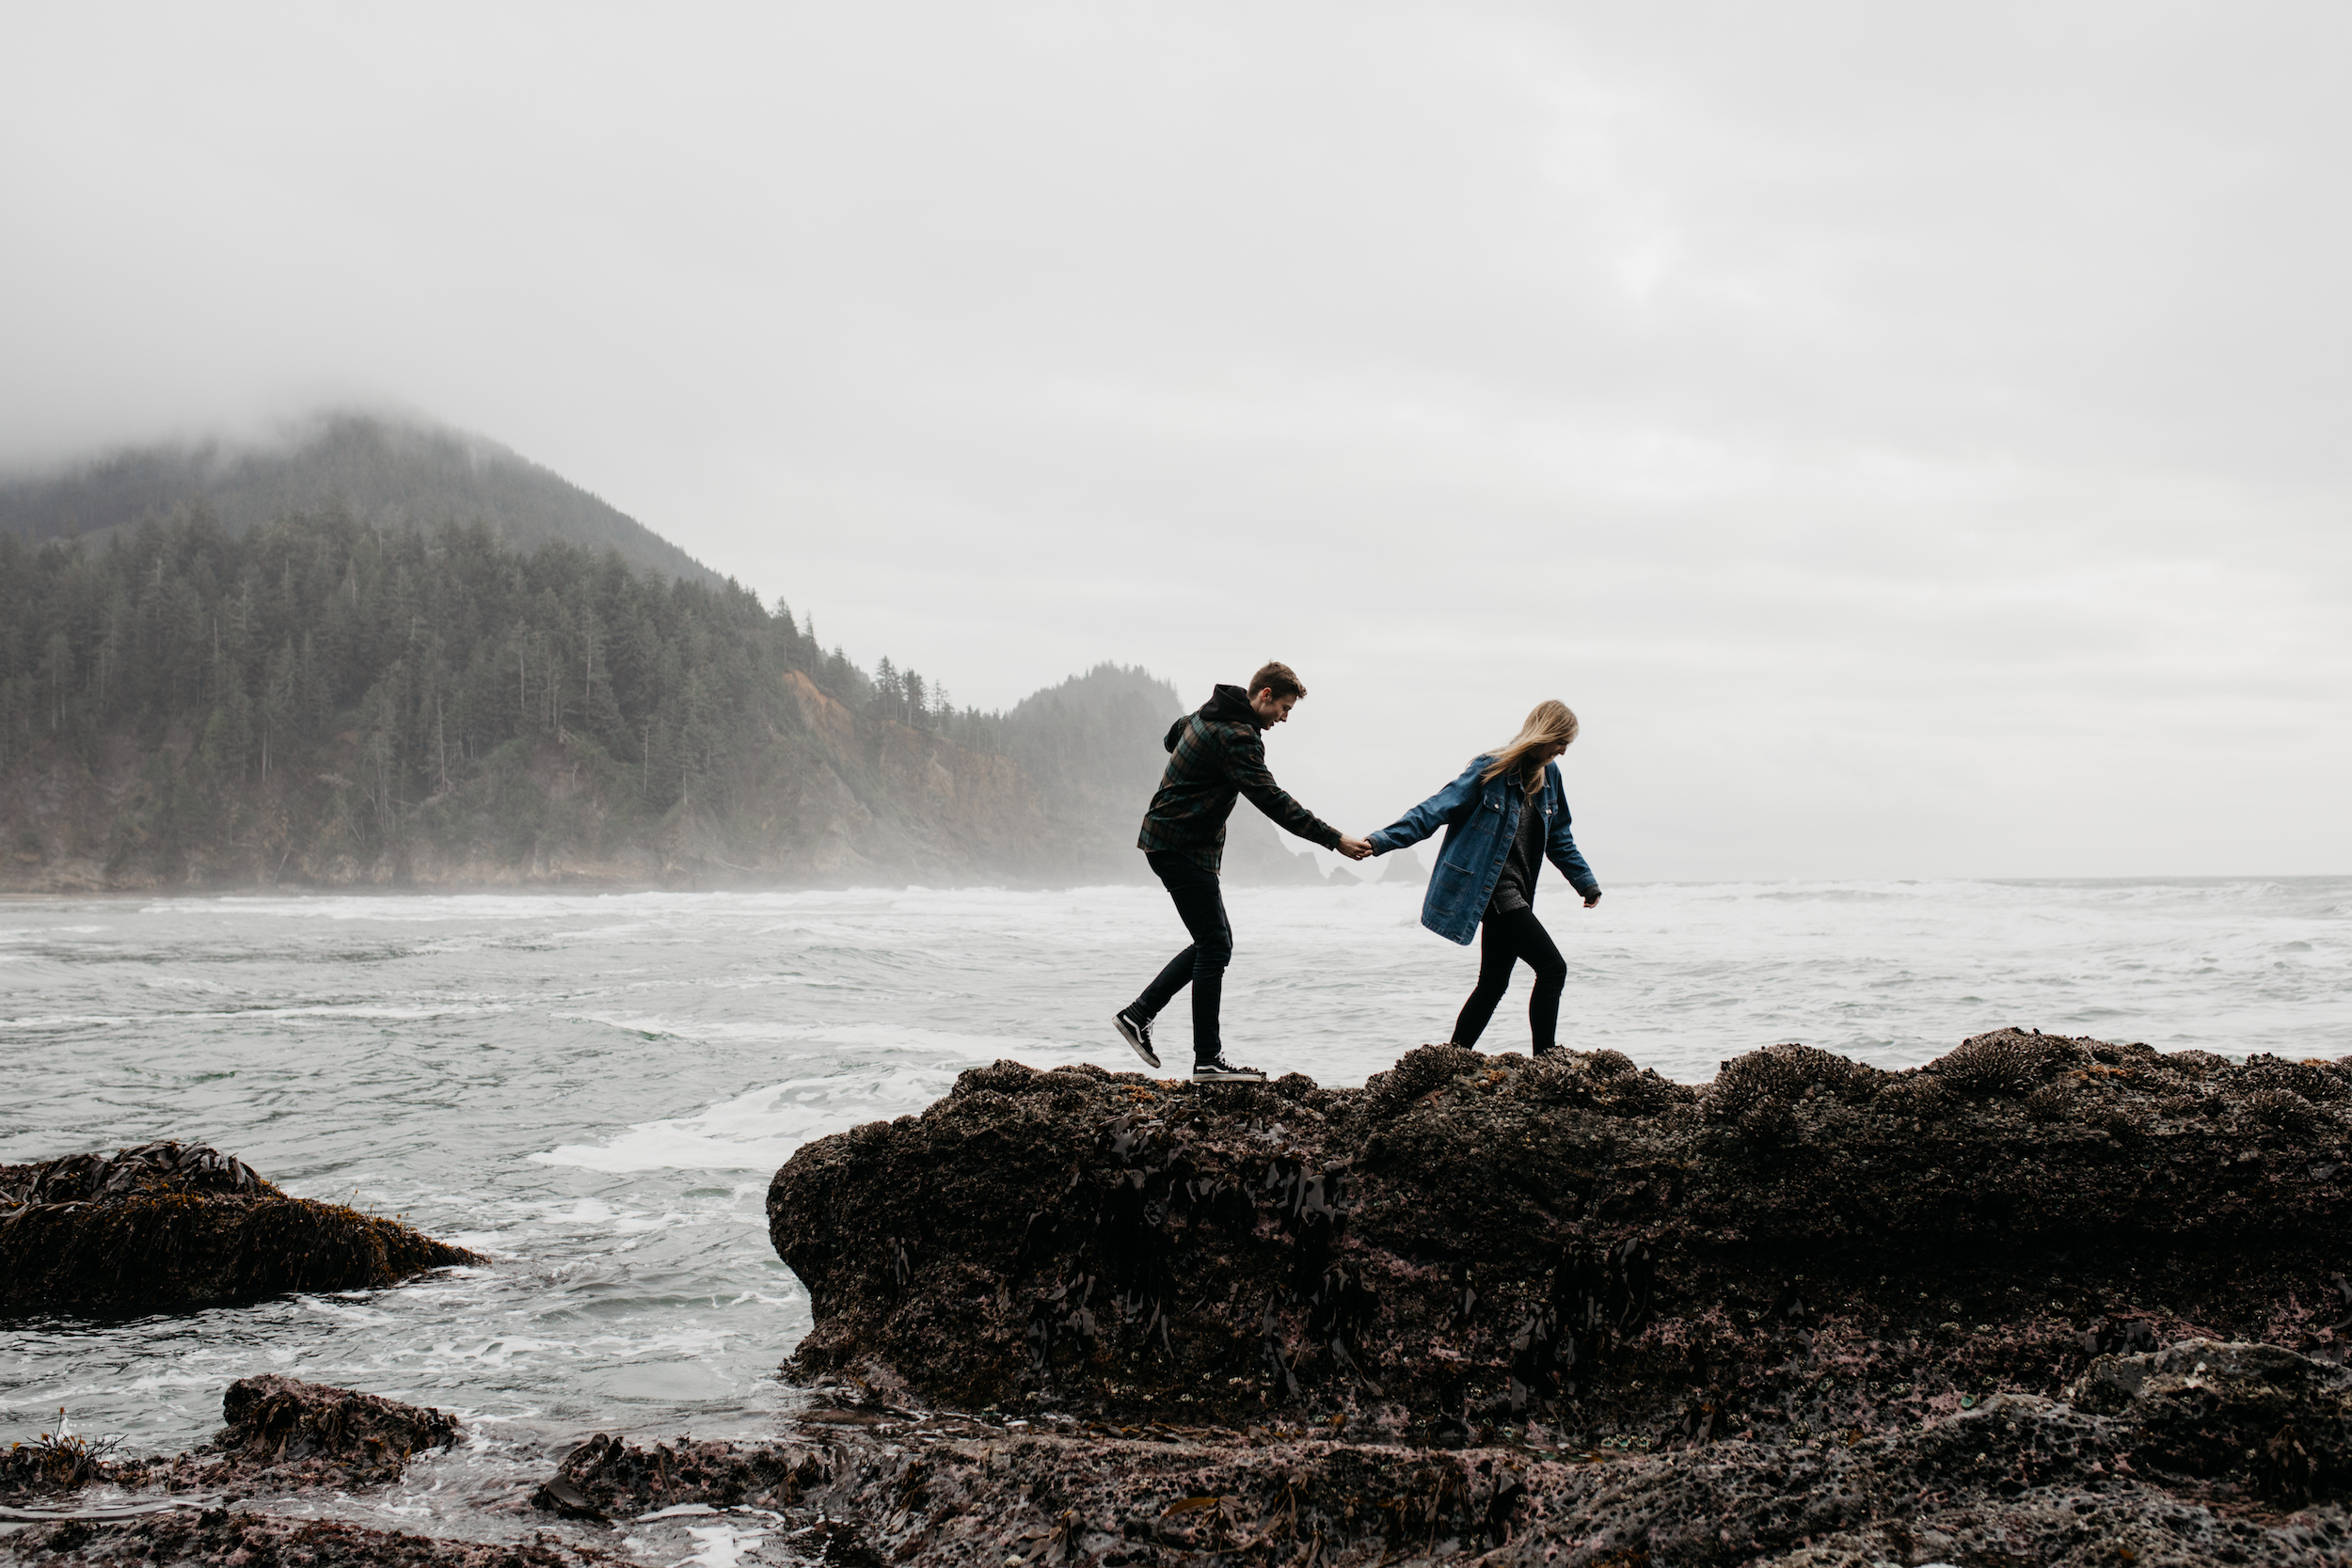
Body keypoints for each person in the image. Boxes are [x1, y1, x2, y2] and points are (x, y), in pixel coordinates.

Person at [1116, 661, 1373, 1081]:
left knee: (1212, 942)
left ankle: (1141, 1017)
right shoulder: (1239, 737)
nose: (1284, 718)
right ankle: (1204, 1059)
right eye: (1284, 708)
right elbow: (1273, 800)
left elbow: (1171, 736)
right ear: (1265, 695)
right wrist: (1335, 839)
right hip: (1182, 846)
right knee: (1215, 945)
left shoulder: (1208, 713)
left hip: (1166, 841)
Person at [1364, 700, 1600, 1055]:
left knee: (1492, 984)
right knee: (1553, 968)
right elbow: (1435, 808)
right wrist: (1380, 841)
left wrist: (1585, 881)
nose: (1563, 751)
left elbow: (1559, 837)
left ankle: (1452, 1057)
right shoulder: (1491, 768)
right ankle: (1546, 1060)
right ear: (1545, 733)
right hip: (1490, 891)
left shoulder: (1550, 778)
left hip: (1517, 890)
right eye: (1561, 741)